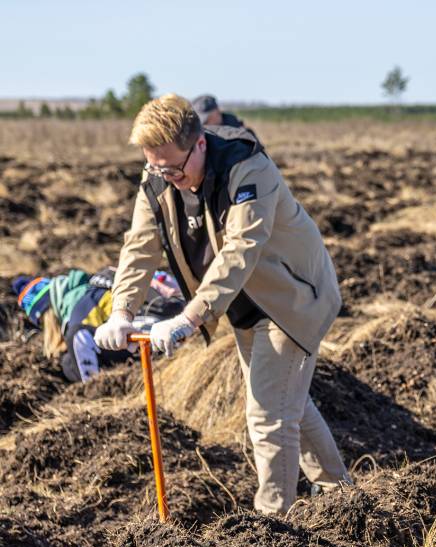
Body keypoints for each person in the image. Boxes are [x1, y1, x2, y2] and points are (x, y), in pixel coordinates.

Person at [94, 94, 352, 514]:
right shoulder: (157, 176)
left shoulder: (247, 167)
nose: (167, 177)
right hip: (242, 305)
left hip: (292, 299)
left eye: (174, 168)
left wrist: (190, 317)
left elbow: (241, 249)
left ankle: (274, 525)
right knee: (287, 402)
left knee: (267, 416)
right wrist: (121, 312)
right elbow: (140, 246)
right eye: (155, 166)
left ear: (199, 144)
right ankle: (342, 495)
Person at [12, 267, 183, 382]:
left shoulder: (78, 310)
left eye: (42, 323)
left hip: (151, 335)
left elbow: (83, 340)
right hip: (164, 323)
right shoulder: (88, 290)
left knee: (71, 355)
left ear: (47, 314)